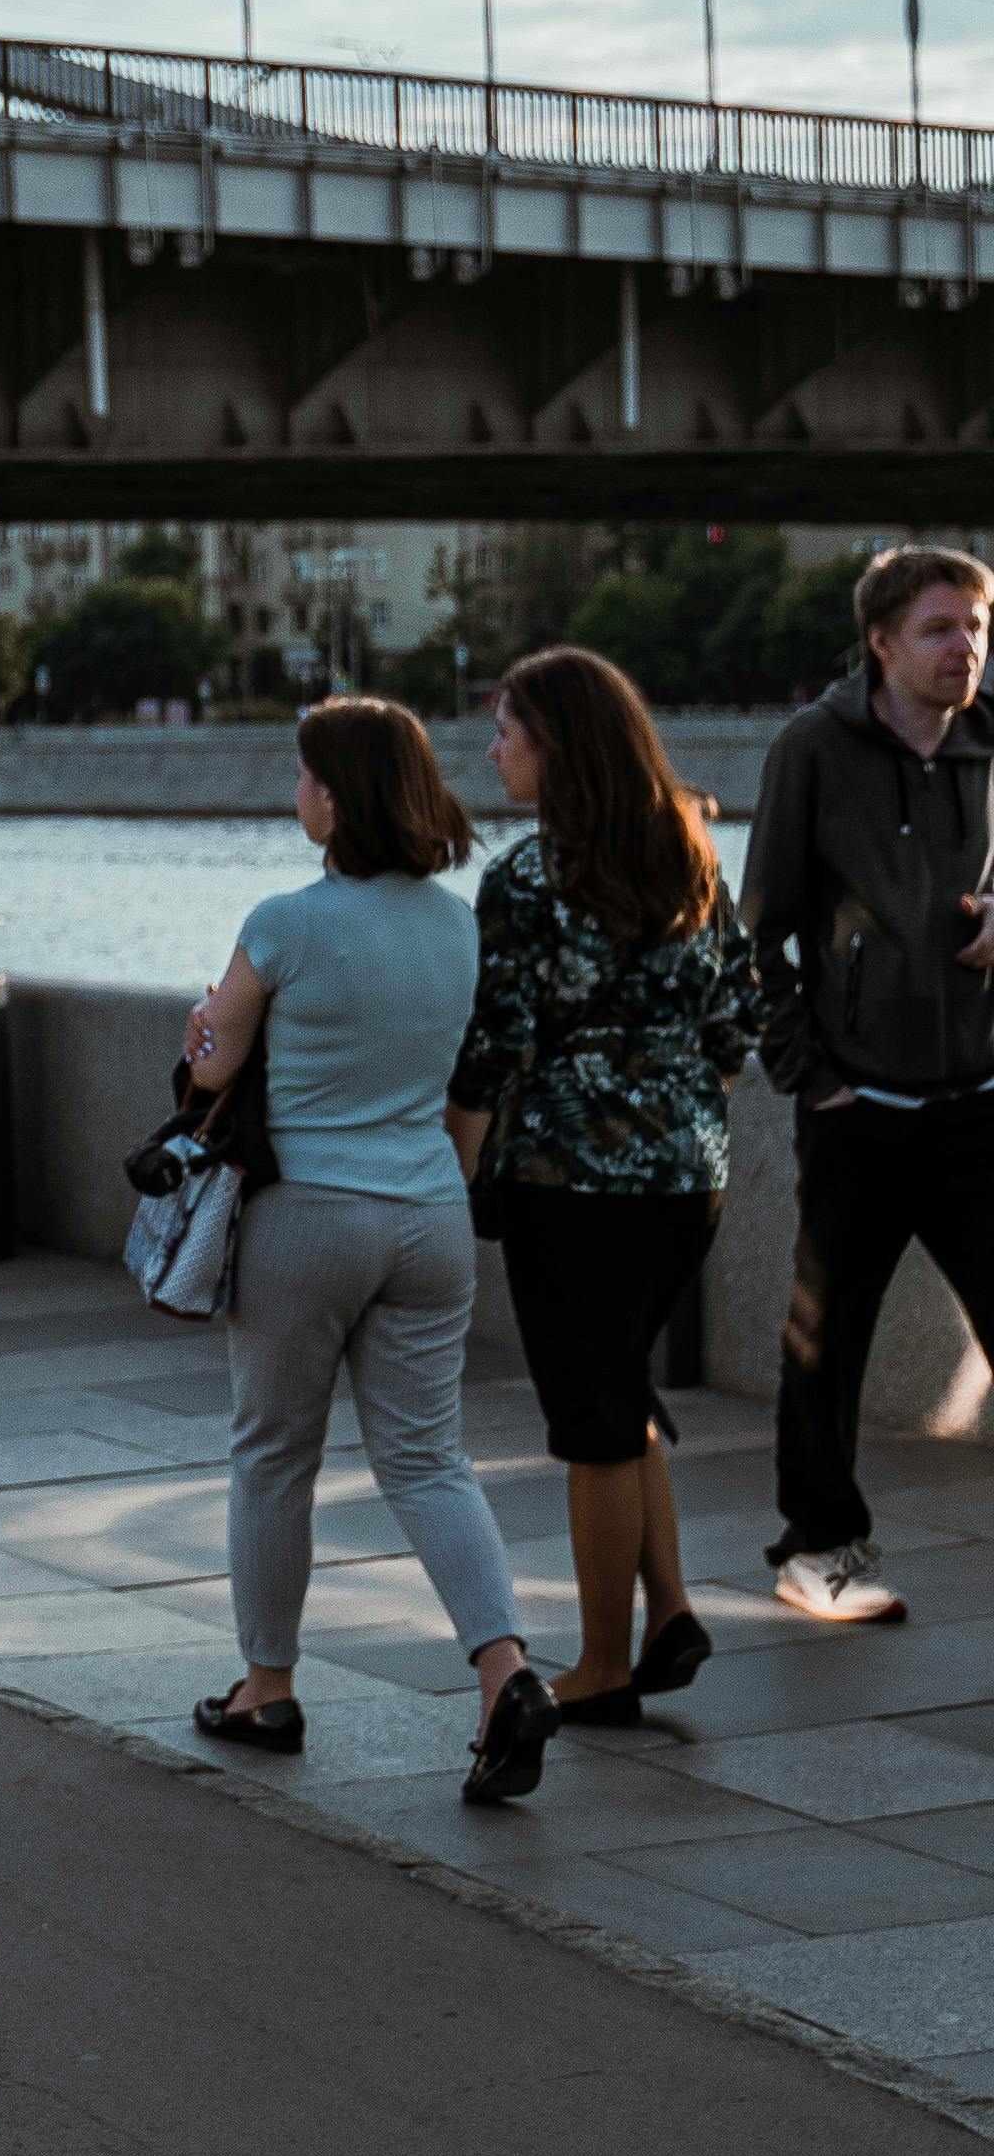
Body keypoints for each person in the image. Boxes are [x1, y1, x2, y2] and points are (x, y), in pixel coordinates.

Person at [179, 690, 561, 1809]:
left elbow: (212, 1068)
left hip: (308, 1220)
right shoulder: (455, 923)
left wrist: (202, 1023)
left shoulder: (284, 922)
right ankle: (503, 1672)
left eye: (302, 776)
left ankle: (266, 1688)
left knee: (273, 1455)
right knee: (428, 1458)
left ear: (335, 798)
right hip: (428, 1218)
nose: (293, 793)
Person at [451, 649, 759, 1725]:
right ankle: (669, 1611)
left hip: (566, 1183)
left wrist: (450, 1176)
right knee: (619, 1396)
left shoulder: (527, 879)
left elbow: (488, 1052)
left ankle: (598, 1665)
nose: (491, 751)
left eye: (506, 732)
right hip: (687, 1180)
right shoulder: (691, 851)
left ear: (559, 747)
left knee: (589, 1422)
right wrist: (667, 1099)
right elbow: (739, 1021)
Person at [739, 539, 994, 1630]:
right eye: (940, 628)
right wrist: (812, 1077)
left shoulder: (992, 742)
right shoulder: (814, 749)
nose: (965, 649)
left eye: (978, 627)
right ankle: (819, 1551)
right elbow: (756, 937)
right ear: (881, 642)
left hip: (978, 1104)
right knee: (825, 1344)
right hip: (861, 1110)